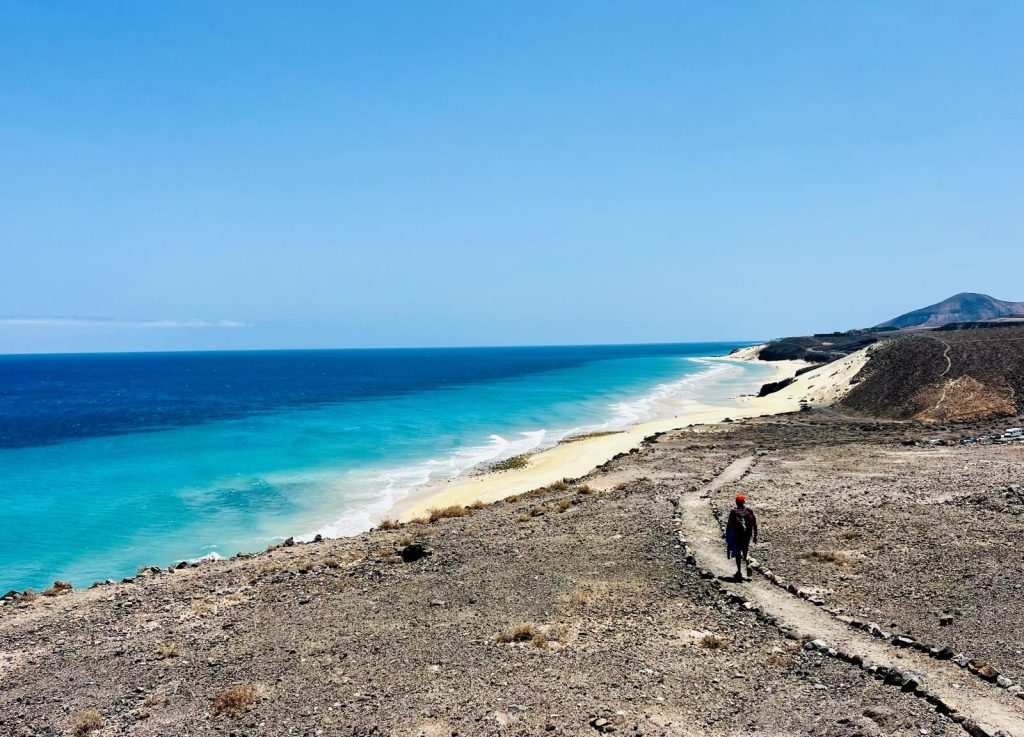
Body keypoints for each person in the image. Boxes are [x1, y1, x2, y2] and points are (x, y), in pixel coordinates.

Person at [725, 494, 757, 580]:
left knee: (738, 553)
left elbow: (729, 525)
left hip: (737, 535)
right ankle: (748, 565)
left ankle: (739, 571)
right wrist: (755, 536)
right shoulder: (749, 511)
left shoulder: (733, 512)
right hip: (747, 535)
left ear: (736, 502)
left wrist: (727, 535)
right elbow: (754, 524)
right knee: (745, 551)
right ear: (744, 502)